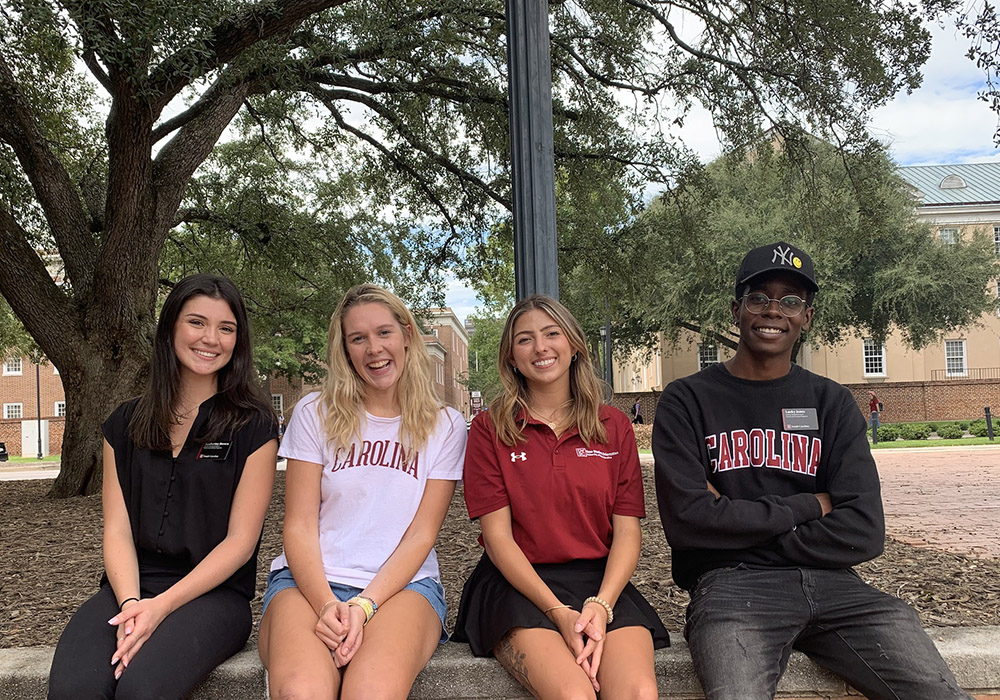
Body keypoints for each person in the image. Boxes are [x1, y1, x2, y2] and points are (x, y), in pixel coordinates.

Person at [652, 241, 972, 700]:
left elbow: (864, 529)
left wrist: (735, 518)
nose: (773, 311)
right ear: (736, 309)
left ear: (807, 316)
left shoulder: (832, 402)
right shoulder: (688, 400)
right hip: (734, 589)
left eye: (790, 300)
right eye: (759, 297)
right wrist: (811, 505)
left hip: (838, 587)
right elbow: (689, 523)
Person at [48, 274, 278, 700]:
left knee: (142, 691)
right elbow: (116, 531)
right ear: (170, 326)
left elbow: (241, 543)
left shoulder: (254, 427)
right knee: (74, 690)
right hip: (129, 587)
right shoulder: (124, 423)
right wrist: (133, 603)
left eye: (226, 328)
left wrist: (160, 608)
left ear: (238, 341)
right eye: (197, 322)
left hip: (213, 596)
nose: (211, 338)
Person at [454, 295, 669, 699]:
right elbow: (498, 539)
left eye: (552, 334)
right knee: (574, 695)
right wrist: (556, 611)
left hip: (600, 583)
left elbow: (626, 533)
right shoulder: (489, 429)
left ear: (574, 345)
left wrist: (601, 607)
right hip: (517, 584)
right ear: (511, 358)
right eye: (525, 339)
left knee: (638, 693)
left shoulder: (614, 426)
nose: (541, 347)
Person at [258, 284, 466, 700]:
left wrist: (363, 606)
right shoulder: (314, 413)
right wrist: (324, 604)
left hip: (403, 588)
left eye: (384, 332)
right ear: (345, 349)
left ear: (406, 335)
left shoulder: (445, 425)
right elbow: (298, 525)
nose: (374, 348)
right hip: (308, 583)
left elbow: (422, 535)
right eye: (358, 338)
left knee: (370, 692)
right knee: (302, 692)